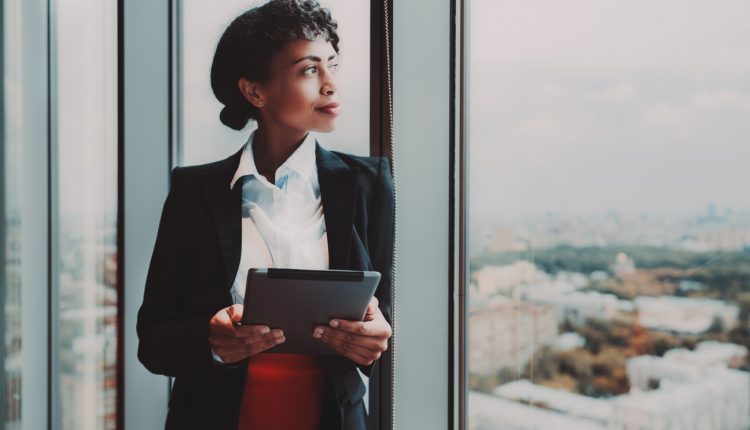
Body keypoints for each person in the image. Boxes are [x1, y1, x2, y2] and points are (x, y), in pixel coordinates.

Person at [135, 1, 395, 429]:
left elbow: (385, 315)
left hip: (330, 418)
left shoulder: (370, 183)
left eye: (332, 65)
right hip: (215, 417)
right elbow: (154, 341)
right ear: (255, 91)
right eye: (310, 70)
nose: (331, 85)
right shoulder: (194, 191)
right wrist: (214, 340)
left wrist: (375, 336)